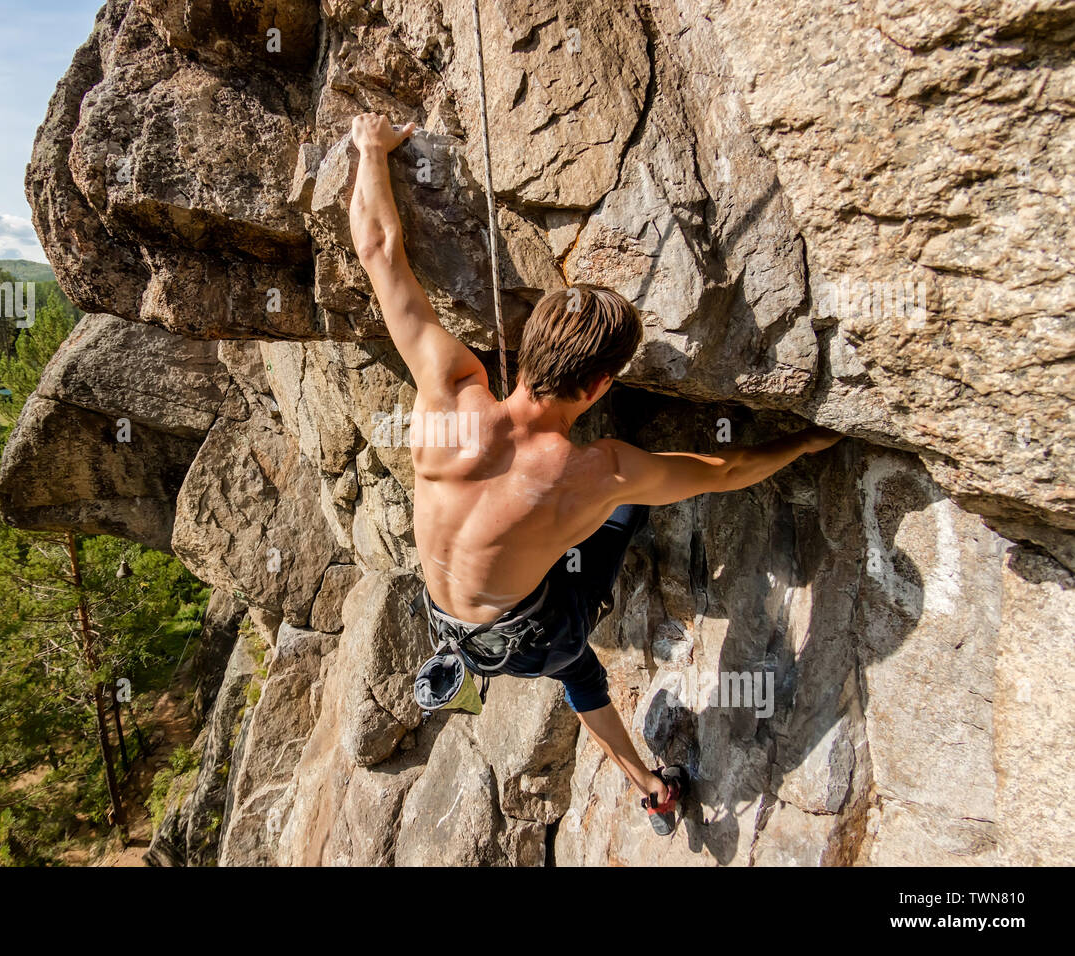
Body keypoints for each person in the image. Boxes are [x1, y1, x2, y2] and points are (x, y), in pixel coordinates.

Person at [347, 112, 841, 820]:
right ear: (603, 387)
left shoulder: (448, 387)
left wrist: (370, 150)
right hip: (534, 633)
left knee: (576, 670)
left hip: (453, 623)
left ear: (525, 343)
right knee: (590, 610)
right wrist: (799, 443)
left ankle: (649, 787)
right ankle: (651, 784)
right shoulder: (604, 473)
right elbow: (724, 471)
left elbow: (377, 249)